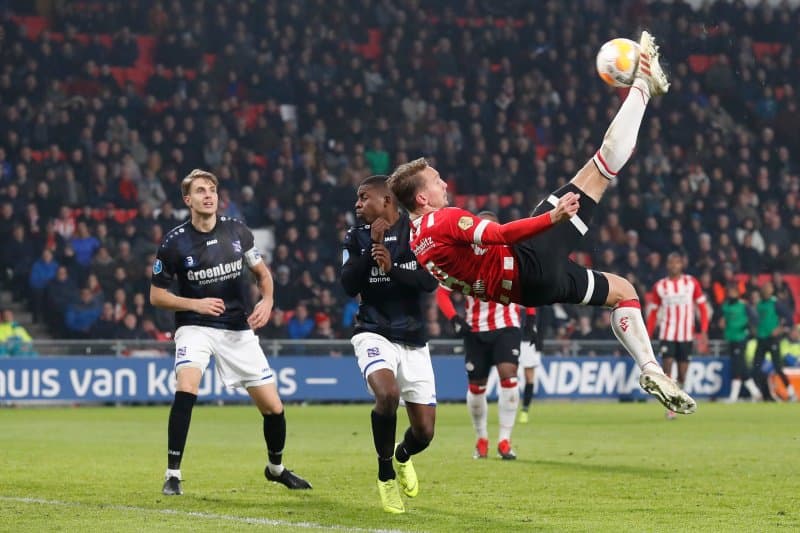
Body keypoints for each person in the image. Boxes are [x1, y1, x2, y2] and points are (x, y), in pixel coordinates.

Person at [388, 32, 695, 415]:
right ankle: (643, 83)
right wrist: (552, 217)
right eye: (436, 181)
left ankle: (650, 368)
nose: (444, 184)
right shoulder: (442, 221)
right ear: (421, 198)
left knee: (623, 291)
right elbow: (498, 234)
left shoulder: (417, 239)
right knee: (601, 169)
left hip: (528, 289)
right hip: (527, 261)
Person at [150, 168, 311, 496]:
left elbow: (262, 274)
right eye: (200, 190)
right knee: (187, 386)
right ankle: (173, 474)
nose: (208, 195)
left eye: (212, 189)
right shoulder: (174, 243)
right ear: (187, 200)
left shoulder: (238, 231)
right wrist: (195, 306)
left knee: (273, 408)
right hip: (195, 326)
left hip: (237, 329)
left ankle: (276, 469)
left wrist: (267, 300)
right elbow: (157, 296)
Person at [341, 175, 439, 514]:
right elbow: (347, 283)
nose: (357, 204)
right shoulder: (355, 237)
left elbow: (428, 282)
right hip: (373, 331)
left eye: (363, 197)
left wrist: (392, 268)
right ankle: (385, 474)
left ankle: (401, 455)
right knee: (387, 394)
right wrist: (371, 250)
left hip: (412, 338)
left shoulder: (419, 233)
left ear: (386, 201)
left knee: (424, 433)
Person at [435, 210, 532, 459]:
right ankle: (481, 439)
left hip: (506, 325)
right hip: (475, 329)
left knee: (509, 376)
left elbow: (527, 285)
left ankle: (504, 441)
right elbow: (442, 292)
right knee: (476, 386)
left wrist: (530, 317)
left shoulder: (509, 253)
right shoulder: (463, 259)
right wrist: (454, 319)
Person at [645, 252, 709, 419]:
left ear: (682, 265)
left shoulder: (691, 283)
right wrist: (648, 334)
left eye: (677, 263)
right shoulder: (660, 286)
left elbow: (702, 307)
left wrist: (703, 330)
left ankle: (676, 399)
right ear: (667, 265)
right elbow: (653, 312)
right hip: (667, 334)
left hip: (686, 335)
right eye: (671, 263)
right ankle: (670, 408)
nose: (674, 266)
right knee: (667, 371)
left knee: (682, 375)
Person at [752, 281, 797, 401]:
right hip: (761, 339)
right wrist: (756, 329)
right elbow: (757, 319)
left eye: (768, 288)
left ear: (771, 290)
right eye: (764, 288)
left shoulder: (775, 303)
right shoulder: (760, 304)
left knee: (778, 367)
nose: (766, 290)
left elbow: (789, 317)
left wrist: (780, 329)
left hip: (772, 339)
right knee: (756, 368)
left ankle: (791, 392)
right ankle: (764, 394)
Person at [720, 283, 762, 402]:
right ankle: (756, 393)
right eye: (729, 292)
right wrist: (721, 322)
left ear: (738, 293)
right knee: (741, 366)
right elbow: (719, 319)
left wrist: (748, 329)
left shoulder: (744, 305)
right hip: (731, 338)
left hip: (741, 338)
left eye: (733, 292)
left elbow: (755, 319)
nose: (731, 294)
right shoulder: (725, 306)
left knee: (736, 367)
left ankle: (733, 396)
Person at [518, 308, 542, 424]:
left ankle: (525, 410)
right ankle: (509, 409)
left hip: (528, 338)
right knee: (508, 373)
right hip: (511, 333)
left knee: (529, 376)